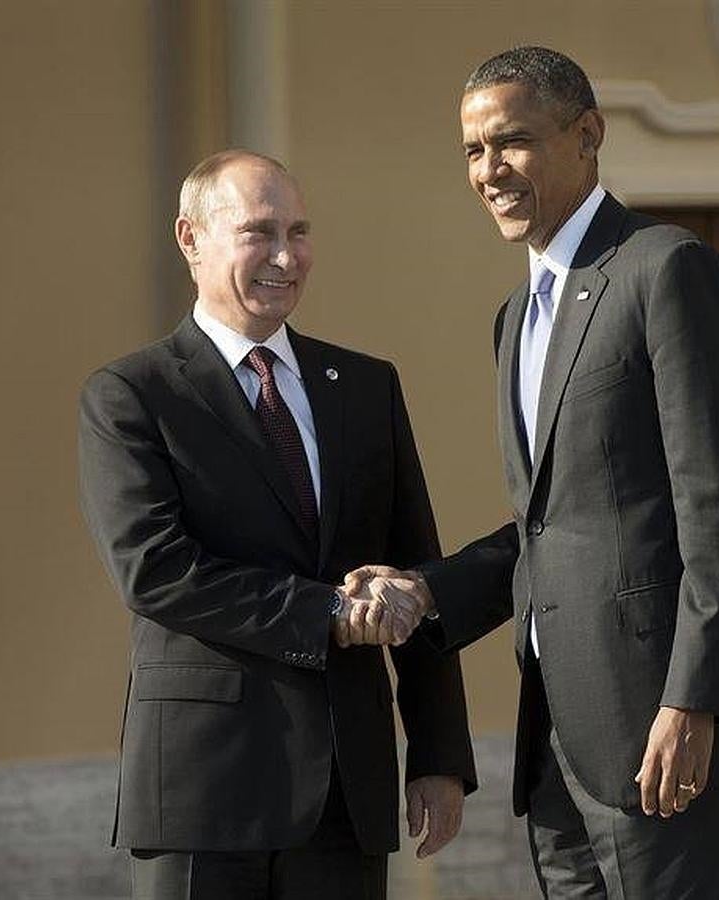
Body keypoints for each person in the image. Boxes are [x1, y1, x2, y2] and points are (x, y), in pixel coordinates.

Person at [343, 46, 719, 899]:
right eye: (473, 151)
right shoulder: (516, 317)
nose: (489, 170)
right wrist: (428, 592)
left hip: (667, 738)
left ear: (587, 134)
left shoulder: (666, 269)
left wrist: (693, 701)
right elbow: (555, 526)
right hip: (556, 741)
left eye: (510, 141)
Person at [78, 149, 474, 900]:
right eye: (259, 232)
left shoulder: (365, 386)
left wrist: (437, 752)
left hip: (344, 789)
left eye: (298, 231)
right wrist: (327, 610)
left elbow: (413, 570)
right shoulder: (132, 394)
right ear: (191, 239)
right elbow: (155, 570)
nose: (286, 256)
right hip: (203, 791)